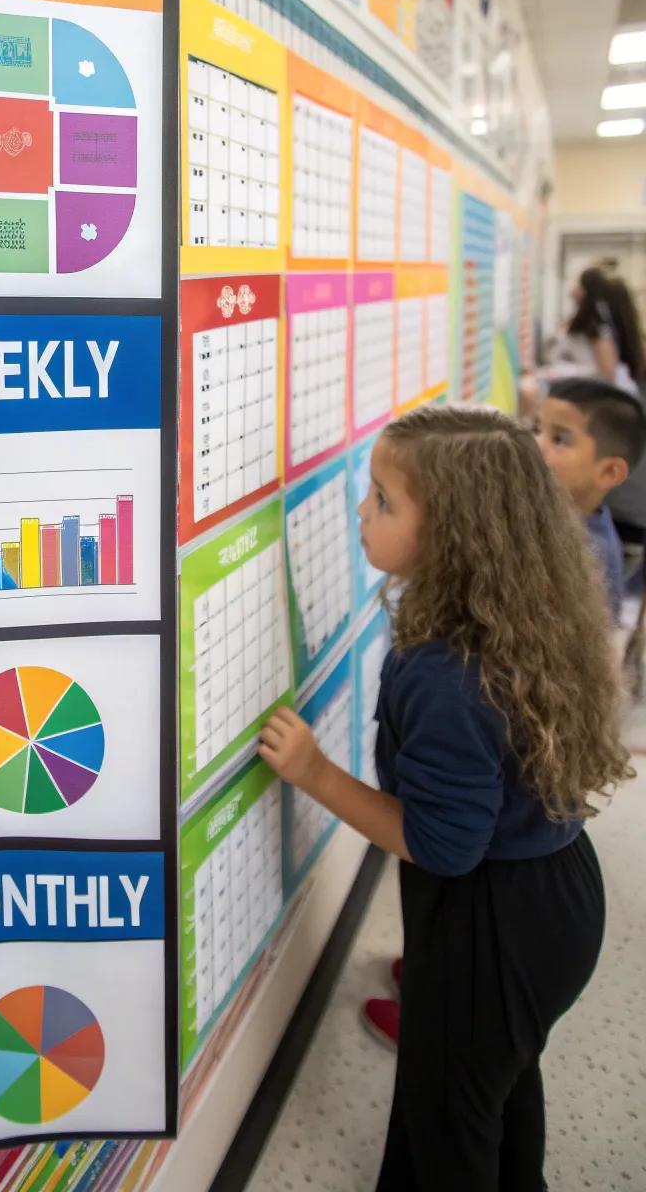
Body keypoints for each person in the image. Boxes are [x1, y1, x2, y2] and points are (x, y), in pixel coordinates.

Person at [259, 406, 631, 1191]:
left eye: (385, 502)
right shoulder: (515, 618)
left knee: (445, 1128)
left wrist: (315, 773)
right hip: (551, 895)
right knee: (499, 1085)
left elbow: (444, 843)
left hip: (494, 928)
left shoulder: (448, 675)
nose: (363, 511)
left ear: (456, 535)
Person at [536, 377, 646, 619]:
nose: (536, 444)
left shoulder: (588, 559)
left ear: (609, 472)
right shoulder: (558, 518)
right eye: (537, 429)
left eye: (559, 439)